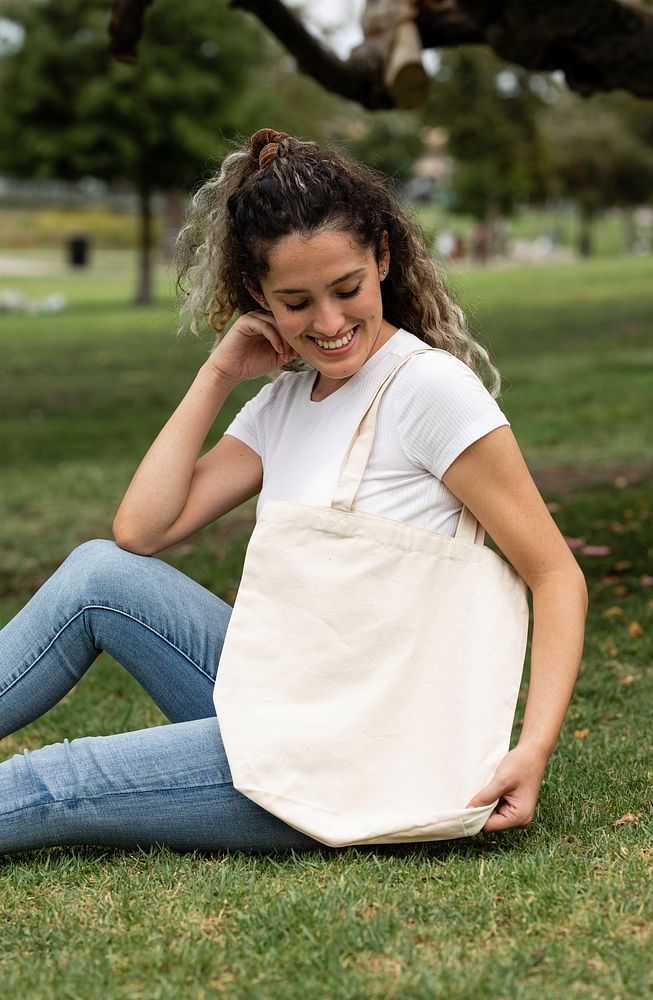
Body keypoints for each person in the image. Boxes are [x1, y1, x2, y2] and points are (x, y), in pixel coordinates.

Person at [0, 129, 587, 855]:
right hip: (286, 701)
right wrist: (216, 375)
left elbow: (554, 573)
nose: (330, 324)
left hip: (352, 759)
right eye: (296, 302)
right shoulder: (283, 403)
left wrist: (532, 748)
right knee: (97, 574)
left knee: (51, 782)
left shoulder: (427, 389)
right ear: (257, 296)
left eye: (346, 290)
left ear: (381, 255)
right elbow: (140, 532)